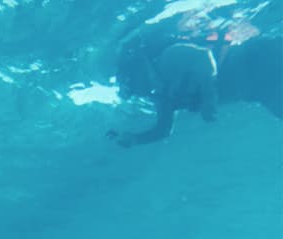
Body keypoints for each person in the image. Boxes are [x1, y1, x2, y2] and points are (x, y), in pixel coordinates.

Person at [109, 19, 282, 147]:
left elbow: (203, 57)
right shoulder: (164, 96)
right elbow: (163, 130)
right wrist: (134, 139)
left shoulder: (167, 59)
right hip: (259, 90)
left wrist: (208, 97)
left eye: (133, 85)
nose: (139, 92)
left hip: (257, 58)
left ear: (138, 70)